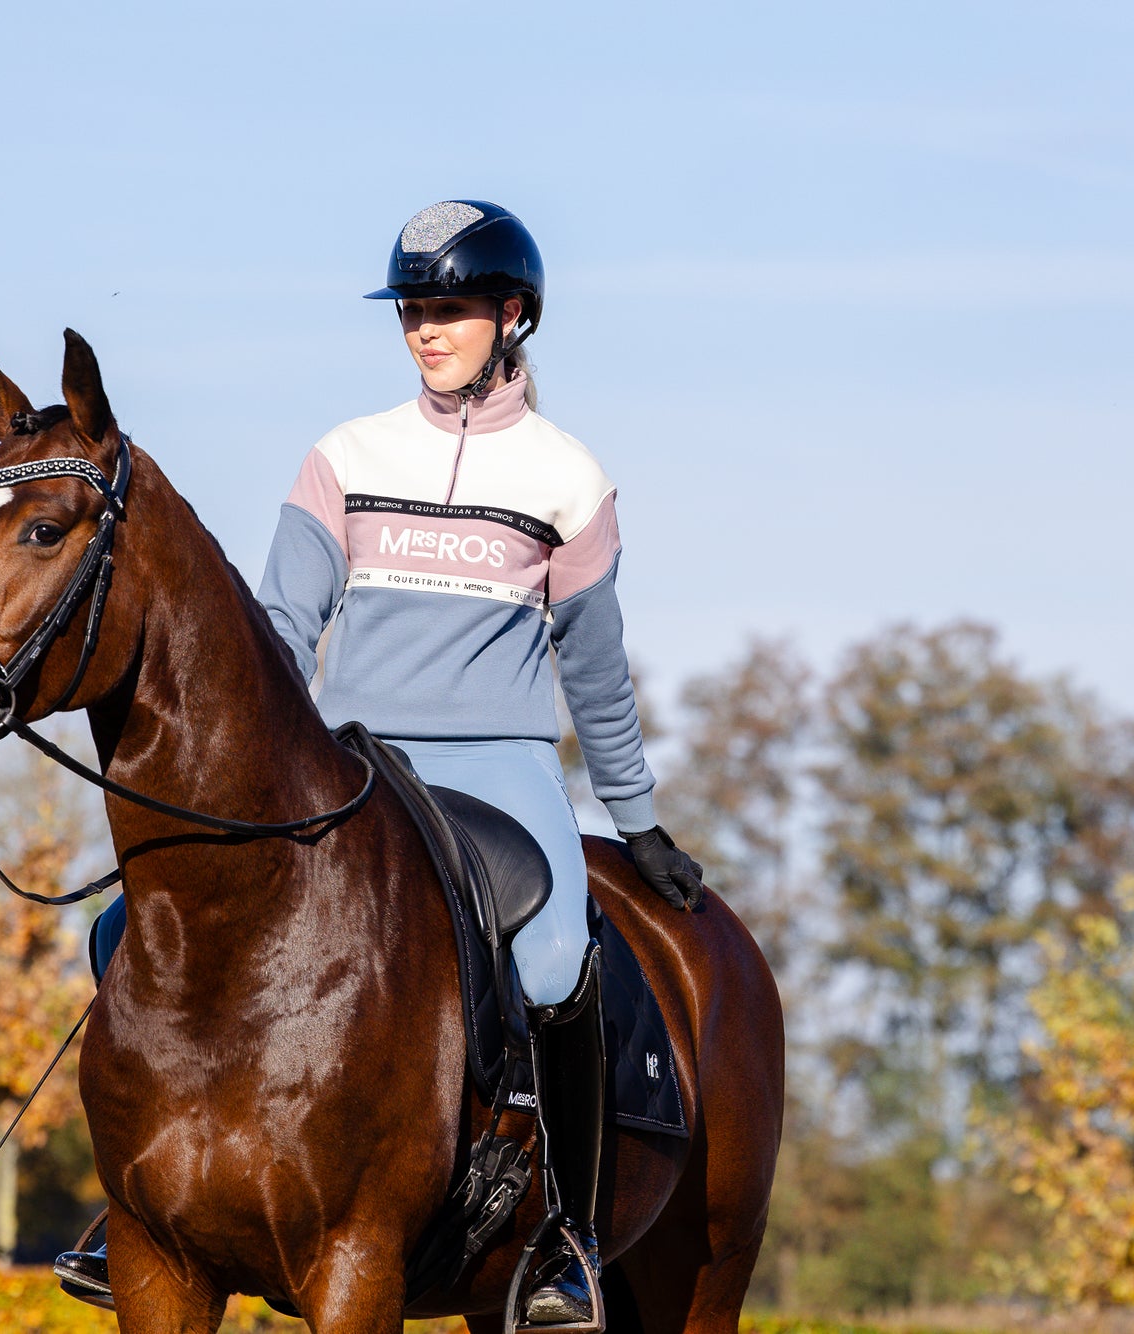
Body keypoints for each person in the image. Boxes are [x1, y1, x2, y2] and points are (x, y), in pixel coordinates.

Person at [56, 200, 705, 1327]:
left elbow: (592, 668)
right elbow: (272, 628)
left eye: (446, 308)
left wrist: (634, 815)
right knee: (118, 930)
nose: (424, 327)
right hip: (351, 755)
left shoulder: (565, 475)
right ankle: (141, 1205)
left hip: (496, 765)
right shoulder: (346, 455)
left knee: (555, 955)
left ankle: (565, 1236)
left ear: (512, 317)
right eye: (411, 308)